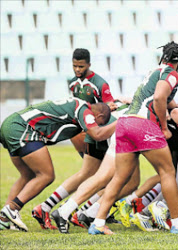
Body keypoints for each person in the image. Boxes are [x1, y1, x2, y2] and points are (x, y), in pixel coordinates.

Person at [87, 41, 178, 235]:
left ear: (163, 57)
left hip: (125, 123)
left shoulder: (154, 71)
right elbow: (159, 98)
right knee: (167, 171)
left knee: (120, 177)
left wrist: (177, 106)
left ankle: (98, 222)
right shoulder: (172, 73)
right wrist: (164, 127)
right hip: (143, 125)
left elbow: (160, 96)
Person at [32, 48, 118, 230]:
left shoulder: (99, 83)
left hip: (97, 132)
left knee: (90, 175)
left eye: (81, 66)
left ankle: (48, 207)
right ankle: (84, 212)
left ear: (89, 65)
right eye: (74, 66)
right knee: (107, 176)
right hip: (95, 135)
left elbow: (110, 106)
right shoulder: (73, 83)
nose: (77, 69)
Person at [0, 98, 115, 231]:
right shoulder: (85, 111)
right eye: (100, 123)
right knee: (46, 175)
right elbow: (97, 134)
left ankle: (4, 219)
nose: (97, 126)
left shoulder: (80, 106)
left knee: (27, 175)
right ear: (98, 116)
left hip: (11, 124)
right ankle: (12, 208)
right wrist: (122, 122)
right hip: (22, 128)